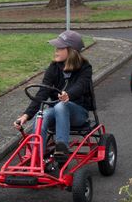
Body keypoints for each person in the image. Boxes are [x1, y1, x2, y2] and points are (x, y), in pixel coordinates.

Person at [13, 31, 95, 172]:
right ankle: (36, 157)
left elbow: (81, 85)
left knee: (61, 106)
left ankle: (62, 148)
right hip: (57, 111)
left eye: (60, 48)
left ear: (71, 51)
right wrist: (26, 116)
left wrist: (68, 94)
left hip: (78, 113)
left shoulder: (85, 68)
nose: (55, 51)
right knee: (43, 114)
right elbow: (42, 93)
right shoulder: (53, 67)